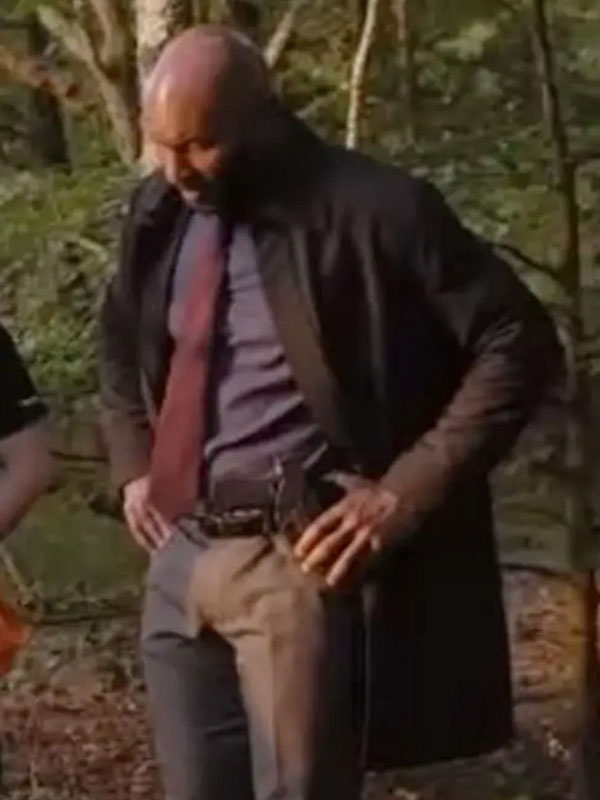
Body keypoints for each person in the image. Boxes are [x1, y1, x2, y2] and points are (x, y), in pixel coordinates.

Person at [99, 25, 562, 800]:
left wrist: (401, 494)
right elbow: (121, 339)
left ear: (261, 117)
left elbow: (517, 342)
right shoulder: (160, 213)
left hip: (295, 560)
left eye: (202, 145)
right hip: (179, 558)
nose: (178, 171)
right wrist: (134, 465)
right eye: (163, 145)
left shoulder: (377, 210)